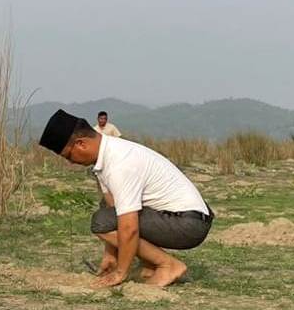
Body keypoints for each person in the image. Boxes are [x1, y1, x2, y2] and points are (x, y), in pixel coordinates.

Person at [40, 109, 211, 288]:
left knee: (100, 221)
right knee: (105, 211)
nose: (71, 162)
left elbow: (127, 226)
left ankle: (168, 265)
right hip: (178, 217)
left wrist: (120, 273)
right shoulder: (106, 156)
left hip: (188, 224)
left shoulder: (120, 164)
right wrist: (111, 255)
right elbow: (113, 210)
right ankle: (150, 265)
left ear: (81, 144)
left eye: (68, 155)